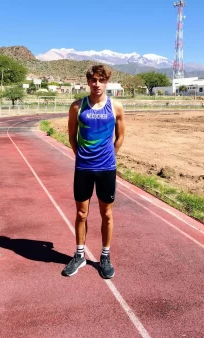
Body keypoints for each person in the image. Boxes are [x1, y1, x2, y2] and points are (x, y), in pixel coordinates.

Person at [62, 65, 125, 279]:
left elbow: (120, 136)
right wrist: (81, 156)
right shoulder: (77, 106)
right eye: (93, 80)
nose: (97, 84)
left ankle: (105, 256)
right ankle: (79, 254)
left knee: (106, 214)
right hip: (83, 168)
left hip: (107, 168)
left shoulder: (116, 107)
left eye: (101, 80)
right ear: (88, 82)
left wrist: (110, 156)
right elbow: (71, 136)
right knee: (81, 213)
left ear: (107, 81)